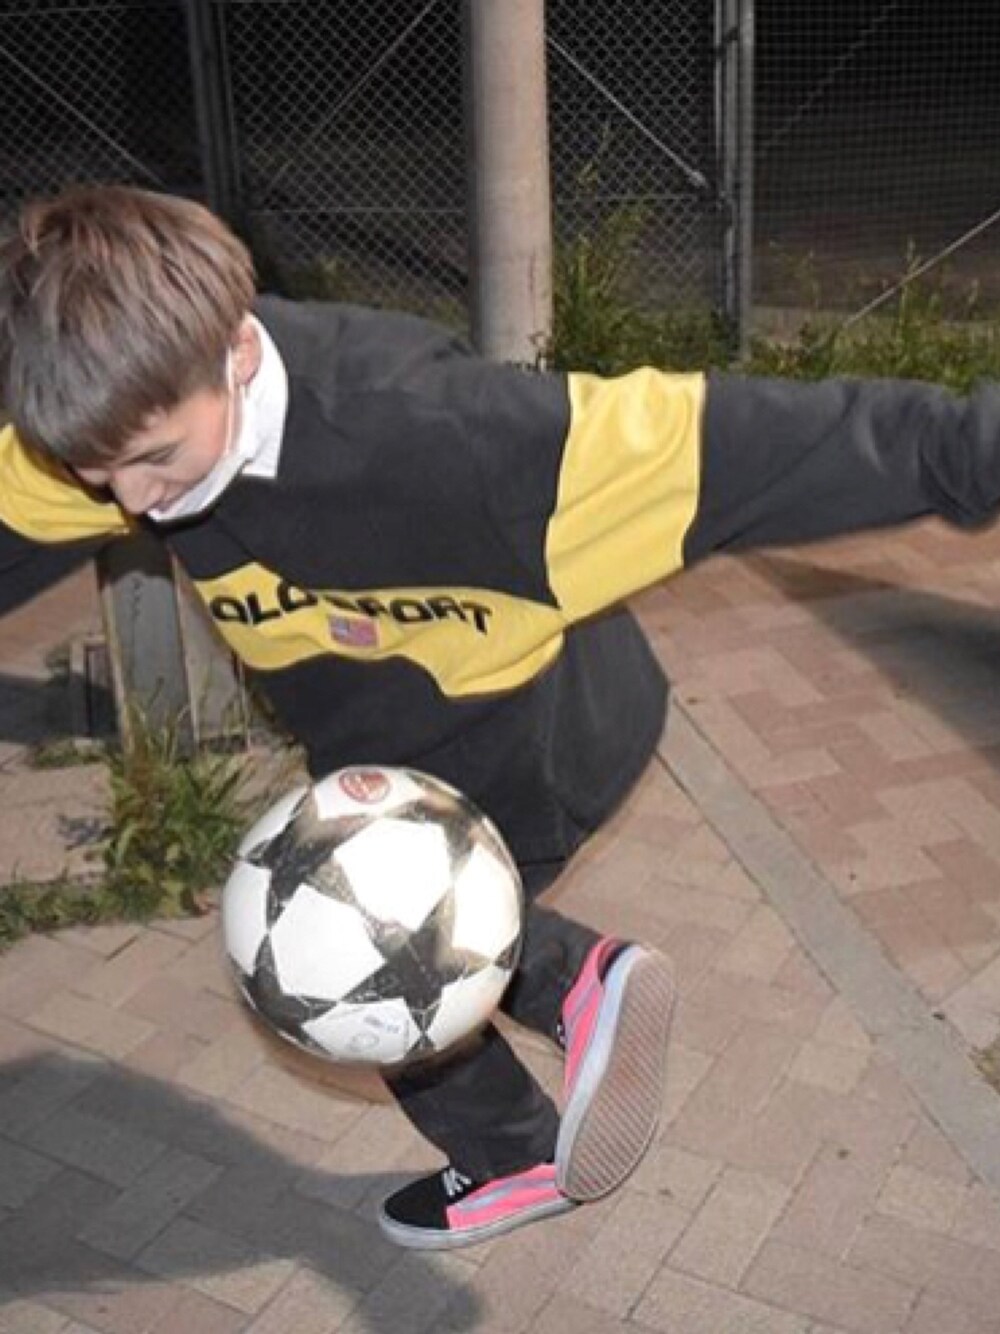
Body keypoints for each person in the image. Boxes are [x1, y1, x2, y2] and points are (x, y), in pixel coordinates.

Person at [1, 185, 998, 1252]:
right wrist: (119, 464)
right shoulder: (111, 415)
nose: (135, 501)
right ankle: (519, 1133)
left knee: (340, 944)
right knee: (343, 916)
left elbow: (790, 444)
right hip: (378, 739)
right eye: (99, 475)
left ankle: (573, 990)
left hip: (531, 732)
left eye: (156, 459)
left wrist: (977, 446)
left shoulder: (451, 437)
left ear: (237, 352)